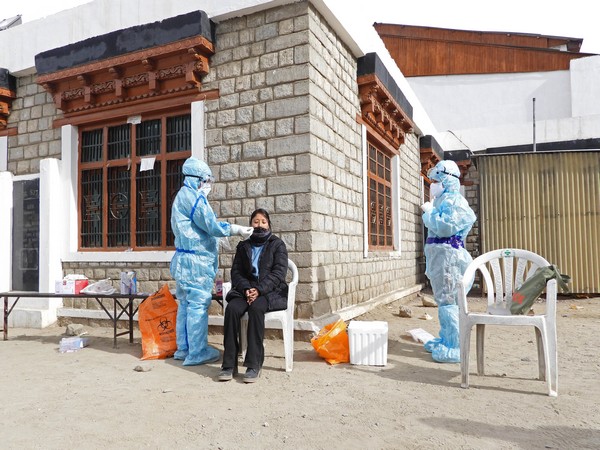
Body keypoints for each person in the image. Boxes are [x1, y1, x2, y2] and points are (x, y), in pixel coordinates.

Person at [170, 157, 253, 366]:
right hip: (196, 263)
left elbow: (196, 228)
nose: (208, 185)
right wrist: (235, 229)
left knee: (186, 305)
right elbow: (210, 225)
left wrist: (216, 240)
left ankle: (184, 349)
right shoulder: (195, 198)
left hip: (183, 260)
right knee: (197, 305)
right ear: (199, 179)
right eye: (207, 180)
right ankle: (197, 353)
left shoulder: (181, 196)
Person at [218, 208, 289, 383]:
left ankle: (254, 364)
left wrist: (259, 290)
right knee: (233, 309)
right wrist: (247, 289)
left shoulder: (277, 245)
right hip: (246, 291)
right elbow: (236, 272)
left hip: (269, 292)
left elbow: (278, 273)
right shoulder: (244, 246)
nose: (259, 225)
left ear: (269, 225)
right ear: (250, 225)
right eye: (256, 222)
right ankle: (229, 364)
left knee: (257, 309)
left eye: (263, 222)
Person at [421, 160, 476, 363]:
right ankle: (447, 338)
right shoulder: (444, 201)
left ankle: (455, 347)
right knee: (443, 301)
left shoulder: (455, 202)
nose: (433, 185)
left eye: (436, 180)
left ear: (446, 180)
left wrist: (429, 214)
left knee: (449, 301)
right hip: (441, 257)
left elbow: (445, 227)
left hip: (449, 259)